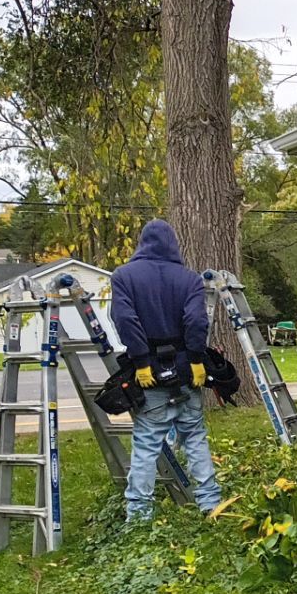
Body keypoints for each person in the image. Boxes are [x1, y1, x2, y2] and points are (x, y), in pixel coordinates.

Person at [108, 220, 222, 522]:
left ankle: (139, 515)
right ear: (173, 244)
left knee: (147, 443)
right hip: (186, 368)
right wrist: (197, 359)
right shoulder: (188, 279)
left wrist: (142, 361)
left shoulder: (123, 277)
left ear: (142, 243)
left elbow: (125, 321)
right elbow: (197, 321)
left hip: (149, 374)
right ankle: (211, 504)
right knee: (195, 437)